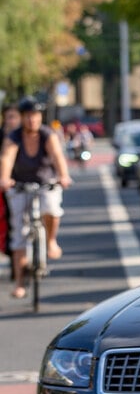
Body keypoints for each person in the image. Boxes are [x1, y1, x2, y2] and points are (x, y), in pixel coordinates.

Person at [0, 96, 73, 299]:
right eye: (28, 116)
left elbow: (58, 157)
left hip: (45, 183)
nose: (32, 120)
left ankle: (50, 240)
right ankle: (20, 283)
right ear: (22, 118)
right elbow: (6, 157)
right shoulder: (14, 137)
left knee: (51, 208)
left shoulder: (47, 134)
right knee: (19, 232)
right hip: (19, 185)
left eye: (36, 115)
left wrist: (63, 176)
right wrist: (4, 179)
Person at [1, 104, 21, 274]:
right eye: (9, 117)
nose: (12, 120)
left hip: (23, 184)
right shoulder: (3, 136)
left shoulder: (27, 135)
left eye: (15, 116)